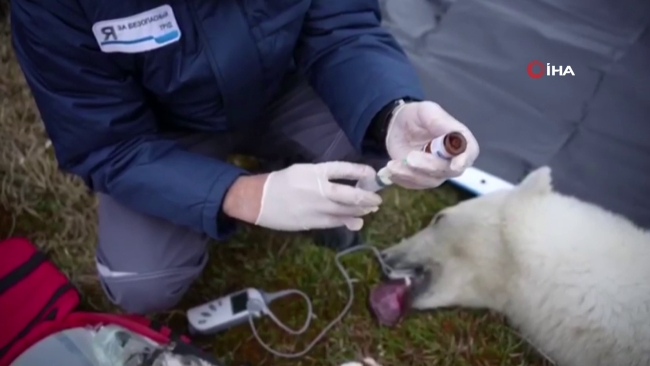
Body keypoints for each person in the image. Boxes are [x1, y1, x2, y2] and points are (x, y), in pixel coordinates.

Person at [10, 0, 479, 315]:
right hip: (161, 132)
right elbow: (104, 143)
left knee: (370, 150)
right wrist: (242, 194)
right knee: (143, 283)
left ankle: (323, 205)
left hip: (285, 85)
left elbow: (342, 28)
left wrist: (391, 111)